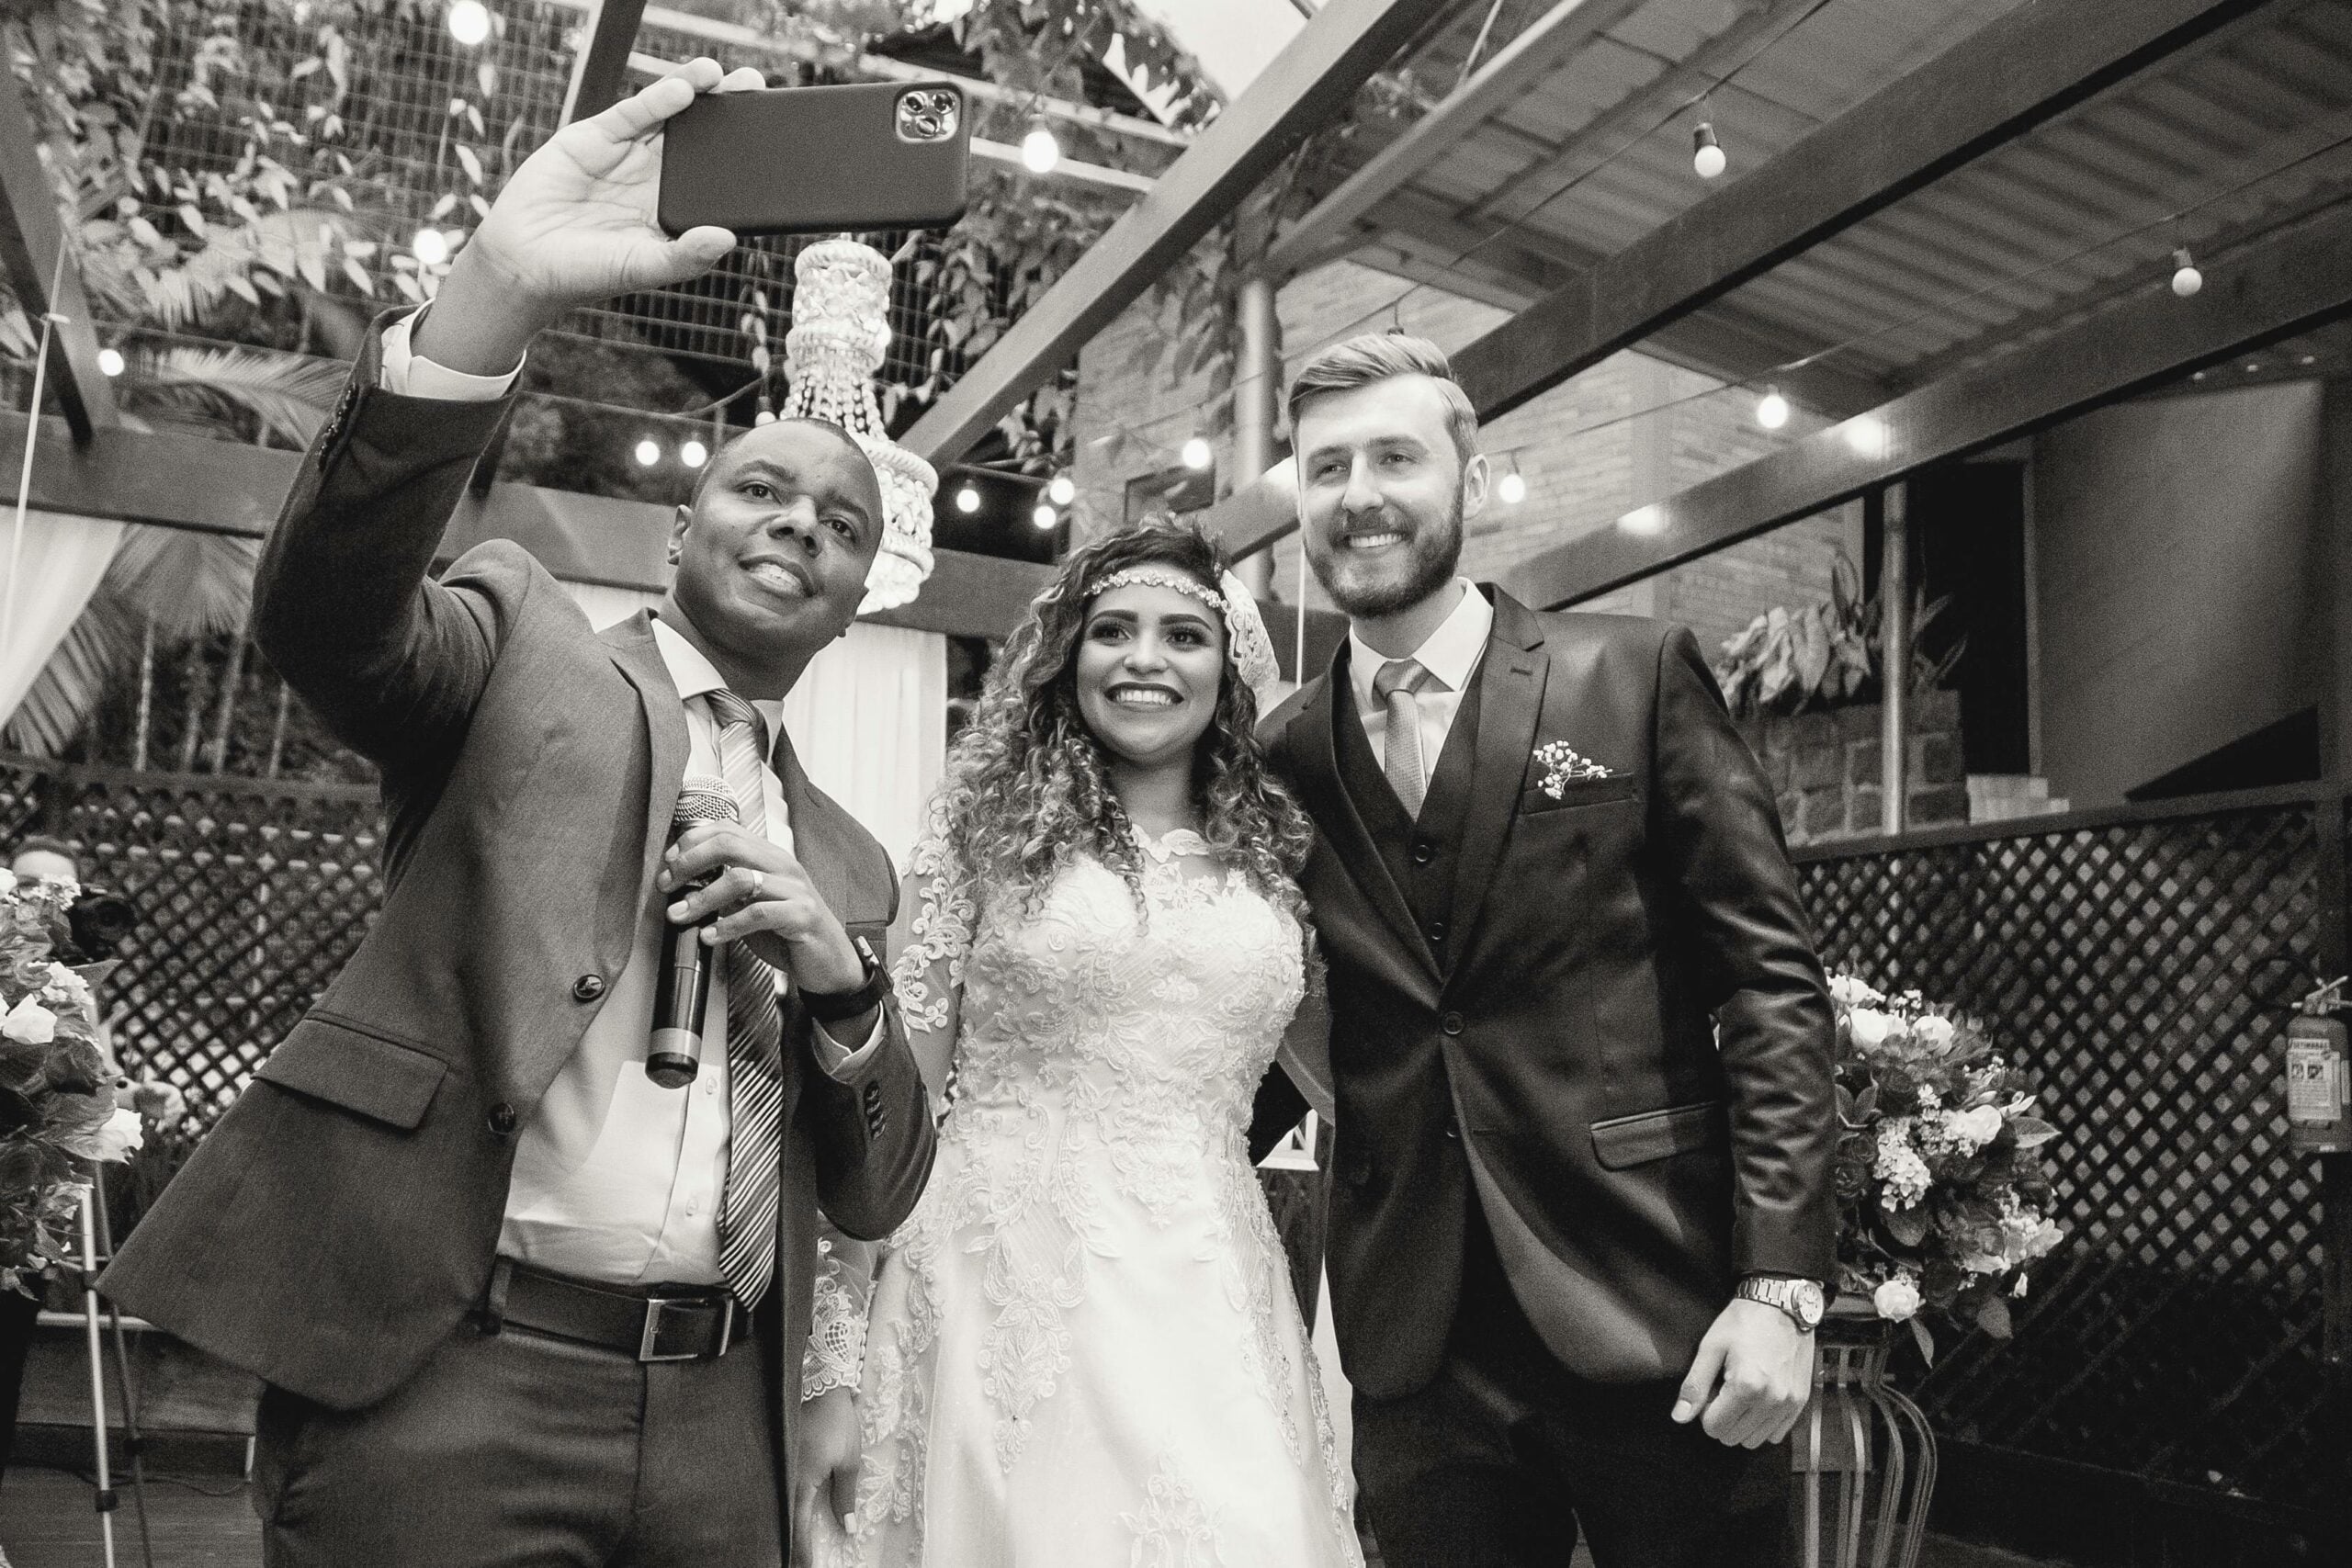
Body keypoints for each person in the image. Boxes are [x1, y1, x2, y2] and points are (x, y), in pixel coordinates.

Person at [99, 60, 935, 1567]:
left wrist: (841, 981)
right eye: (762, 490)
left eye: (841, 522)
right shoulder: (522, 649)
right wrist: (494, 292)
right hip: (453, 1377)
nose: (800, 523)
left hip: (720, 1418)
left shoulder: (850, 864)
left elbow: (877, 1187)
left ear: (859, 589)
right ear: (679, 530)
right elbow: (328, 617)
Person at [1248, 333, 1840, 1568]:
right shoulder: (1281, 756)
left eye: (1396, 457)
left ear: (1470, 476)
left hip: (1661, 1306)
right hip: (1414, 1346)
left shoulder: (1631, 673)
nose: (1358, 494)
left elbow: (1769, 986)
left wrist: (1780, 1286)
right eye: (1326, 465)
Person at [799, 522, 1363, 1568]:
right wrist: (831, 1353)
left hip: (1212, 1297)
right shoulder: (980, 834)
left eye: (1183, 635)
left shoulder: (1280, 859)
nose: (1145, 658)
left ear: (1229, 670)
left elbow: (1358, 1070)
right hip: (998, 1285)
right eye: (1112, 630)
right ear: (1067, 658)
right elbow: (885, 1117)